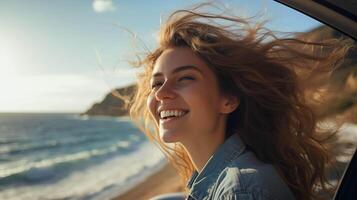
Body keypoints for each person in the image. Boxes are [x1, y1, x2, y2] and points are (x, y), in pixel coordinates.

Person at [128, 4, 351, 200]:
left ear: (228, 100)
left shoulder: (241, 190)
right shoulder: (227, 179)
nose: (161, 93)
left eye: (185, 78)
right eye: (156, 83)